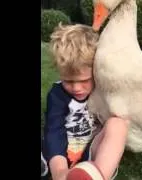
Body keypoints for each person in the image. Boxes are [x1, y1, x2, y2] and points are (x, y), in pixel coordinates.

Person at [41, 23, 130, 180]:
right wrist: (60, 171)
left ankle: (98, 174)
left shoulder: (105, 90)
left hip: (91, 155)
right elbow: (54, 133)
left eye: (84, 80)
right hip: (59, 154)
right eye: (68, 80)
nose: (76, 88)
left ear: (97, 70)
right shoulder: (57, 94)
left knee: (119, 124)